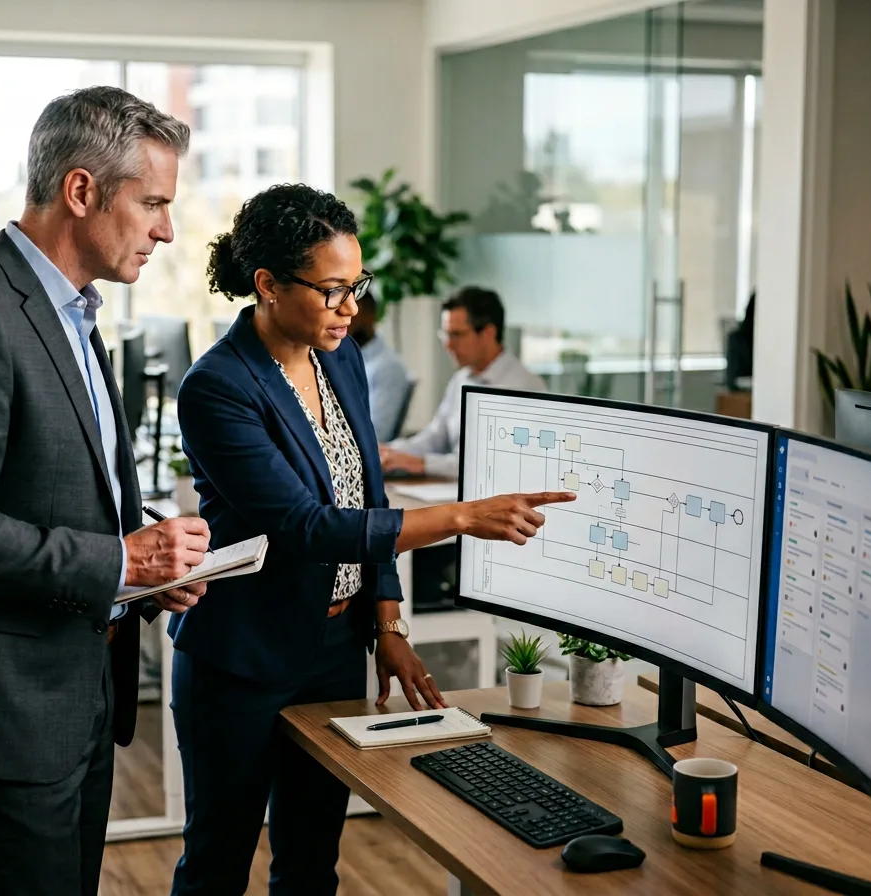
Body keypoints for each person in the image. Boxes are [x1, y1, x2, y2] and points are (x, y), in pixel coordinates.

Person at [170, 183, 576, 895]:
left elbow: (369, 495)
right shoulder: (217, 387)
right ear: (266, 285)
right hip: (243, 658)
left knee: (311, 859)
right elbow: (305, 527)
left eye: (356, 286)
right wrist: (458, 516)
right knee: (217, 864)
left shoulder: (341, 358)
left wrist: (386, 620)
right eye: (331, 290)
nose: (350, 308)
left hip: (332, 650)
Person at [0, 86, 210, 896]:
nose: (167, 229)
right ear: (81, 190)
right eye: (154, 204)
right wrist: (119, 562)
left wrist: (151, 562)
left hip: (76, 690)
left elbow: (71, 487)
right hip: (7, 708)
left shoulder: (75, 315)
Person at [380, 286, 546, 479]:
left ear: (488, 333)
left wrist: (424, 464)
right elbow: (435, 438)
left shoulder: (525, 387)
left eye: (457, 335)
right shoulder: (462, 379)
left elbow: (492, 464)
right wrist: (388, 451)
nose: (448, 345)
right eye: (445, 335)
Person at [347, 288, 410, 441]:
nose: (343, 319)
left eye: (352, 311)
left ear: (370, 316)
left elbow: (377, 435)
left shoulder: (386, 368)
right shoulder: (345, 360)